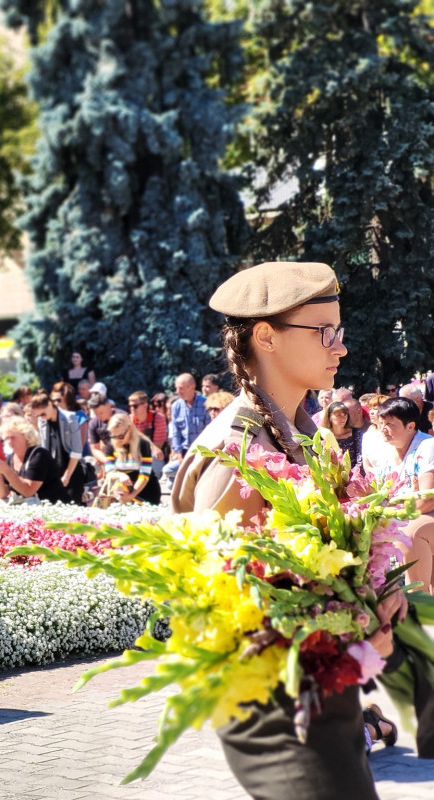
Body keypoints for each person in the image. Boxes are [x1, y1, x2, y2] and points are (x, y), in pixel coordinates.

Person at [171, 260, 402, 800]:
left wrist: (368, 609)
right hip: (275, 709)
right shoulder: (237, 446)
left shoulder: (303, 434)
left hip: (321, 695)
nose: (340, 348)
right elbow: (208, 592)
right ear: (266, 337)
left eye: (339, 333)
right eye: (325, 333)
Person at [365, 397, 434, 594]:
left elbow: (427, 500)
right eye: (381, 424)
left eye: (389, 424)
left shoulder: (428, 446)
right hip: (411, 517)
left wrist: (393, 514)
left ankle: (418, 604)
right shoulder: (386, 453)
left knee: (410, 533)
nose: (383, 429)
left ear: (410, 425)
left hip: (423, 517)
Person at [0, 416, 68, 504]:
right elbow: (2, 494)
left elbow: (28, 491)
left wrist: (7, 471)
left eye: (13, 437)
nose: (9, 442)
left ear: (26, 436)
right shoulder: (10, 459)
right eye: (6, 438)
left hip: (53, 508)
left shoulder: (39, 455)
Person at [29, 392, 85, 504]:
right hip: (52, 472)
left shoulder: (70, 418)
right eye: (38, 415)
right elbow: (43, 446)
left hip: (71, 468)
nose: (41, 417)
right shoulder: (42, 421)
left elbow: (76, 450)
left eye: (43, 414)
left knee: (73, 506)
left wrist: (67, 476)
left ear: (50, 404)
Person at [103, 413, 161, 505]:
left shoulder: (142, 444)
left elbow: (144, 475)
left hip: (145, 490)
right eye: (114, 436)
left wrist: (131, 495)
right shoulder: (110, 446)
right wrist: (120, 475)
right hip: (122, 489)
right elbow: (109, 473)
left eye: (120, 436)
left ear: (129, 429)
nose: (117, 440)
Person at [163, 373, 209, 486]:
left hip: (202, 452)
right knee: (168, 472)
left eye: (181, 388)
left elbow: (210, 430)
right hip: (184, 452)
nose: (178, 391)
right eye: (177, 388)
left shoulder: (205, 403)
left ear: (192, 387)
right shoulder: (176, 406)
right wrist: (178, 454)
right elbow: (175, 432)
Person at [319, 400, 362, 469]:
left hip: (354, 474)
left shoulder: (356, 433)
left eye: (345, 415)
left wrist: (353, 474)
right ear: (330, 417)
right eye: (338, 415)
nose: (343, 418)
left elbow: (360, 457)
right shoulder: (323, 435)